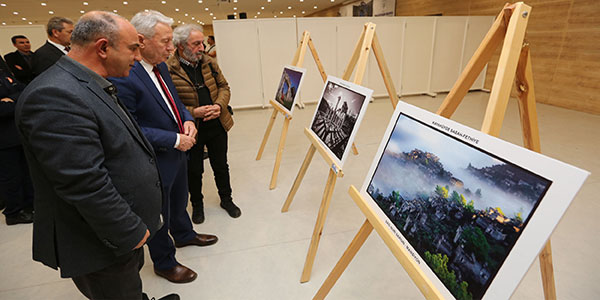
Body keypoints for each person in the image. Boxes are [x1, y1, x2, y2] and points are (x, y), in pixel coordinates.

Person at [15, 11, 177, 300]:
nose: (138, 57)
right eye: (132, 48)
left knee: (129, 285)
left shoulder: (88, 81)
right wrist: (130, 231)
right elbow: (83, 182)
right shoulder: (55, 95)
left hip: (122, 233)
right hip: (101, 239)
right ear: (102, 47)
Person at [110, 10, 218, 284]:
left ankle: (184, 234)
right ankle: (164, 261)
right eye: (166, 41)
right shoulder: (125, 75)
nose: (172, 47)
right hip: (154, 158)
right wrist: (173, 139)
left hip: (177, 151)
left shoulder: (160, 67)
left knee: (179, 199)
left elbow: (175, 104)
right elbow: (129, 127)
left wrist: (188, 119)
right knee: (158, 212)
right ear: (141, 41)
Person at [167, 24, 240, 224]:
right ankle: (197, 206)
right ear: (181, 46)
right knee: (194, 170)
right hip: (191, 129)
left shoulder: (209, 63)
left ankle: (227, 200)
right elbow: (170, 103)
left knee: (221, 165)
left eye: (202, 42)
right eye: (196, 43)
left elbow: (224, 87)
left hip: (217, 124)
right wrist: (193, 112)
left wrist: (219, 105)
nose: (202, 47)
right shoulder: (168, 69)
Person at [0, 56, 33, 225]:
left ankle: (28, 206)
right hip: (3, 140)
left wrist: (11, 99)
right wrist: (14, 100)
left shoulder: (4, 75)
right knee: (10, 178)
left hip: (17, 134)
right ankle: (13, 212)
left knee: (26, 174)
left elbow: (24, 90)